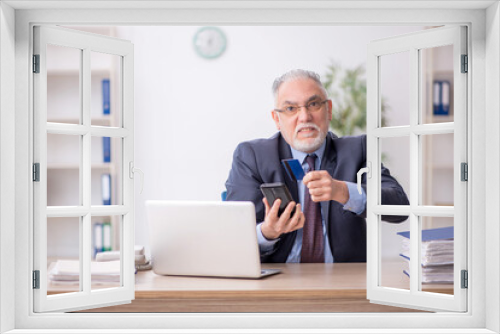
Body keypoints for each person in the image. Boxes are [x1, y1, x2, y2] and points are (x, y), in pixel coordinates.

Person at [225, 69, 409, 263]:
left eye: (313, 104)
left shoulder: (357, 149)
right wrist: (267, 233)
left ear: (328, 109)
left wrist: (344, 191)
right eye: (290, 109)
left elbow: (399, 207)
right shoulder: (252, 156)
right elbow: (233, 233)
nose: (304, 117)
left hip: (344, 278)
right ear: (277, 119)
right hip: (278, 278)